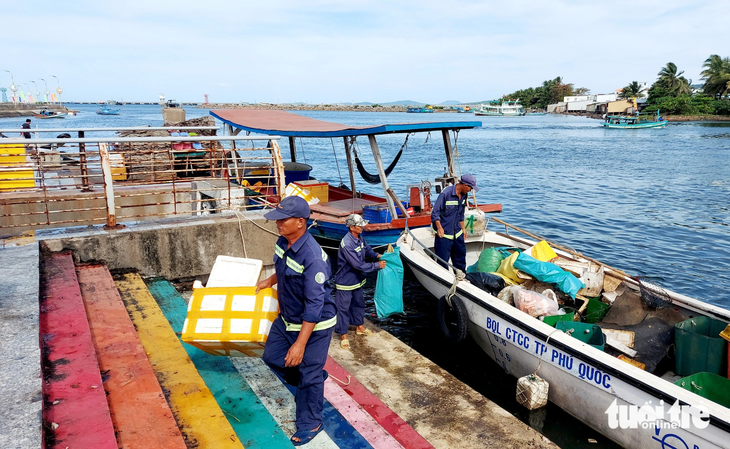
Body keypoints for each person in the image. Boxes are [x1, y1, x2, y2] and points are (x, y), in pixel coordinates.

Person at [256, 196, 337, 446]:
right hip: (288, 318)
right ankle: (306, 381)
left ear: (300, 223)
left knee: (309, 374)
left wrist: (300, 344)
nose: (277, 224)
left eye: (282, 220)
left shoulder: (313, 257)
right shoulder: (284, 241)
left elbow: (315, 306)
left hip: (314, 325)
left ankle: (310, 422)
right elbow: (282, 268)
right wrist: (268, 282)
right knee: (271, 356)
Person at [334, 214, 385, 349]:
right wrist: (376, 266)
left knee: (359, 303)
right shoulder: (347, 244)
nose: (363, 227)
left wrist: (377, 256)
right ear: (352, 227)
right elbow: (358, 265)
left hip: (357, 280)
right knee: (343, 308)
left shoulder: (360, 238)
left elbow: (367, 250)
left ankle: (359, 326)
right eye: (360, 225)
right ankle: (343, 335)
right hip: (345, 282)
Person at [430, 174, 478, 272]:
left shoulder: (464, 195)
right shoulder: (445, 194)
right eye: (470, 188)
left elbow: (461, 214)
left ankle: (461, 279)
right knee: (442, 262)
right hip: (445, 235)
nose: (470, 190)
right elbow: (435, 213)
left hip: (457, 233)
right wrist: (439, 228)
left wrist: (463, 229)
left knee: (460, 258)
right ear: (465, 185)